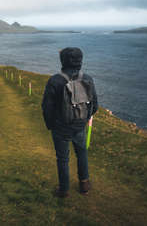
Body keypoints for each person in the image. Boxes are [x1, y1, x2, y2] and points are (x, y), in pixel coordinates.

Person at [42, 47, 98, 198]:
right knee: (82, 154)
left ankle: (64, 190)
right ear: (80, 60)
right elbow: (94, 105)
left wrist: (51, 125)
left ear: (63, 61)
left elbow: (47, 107)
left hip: (61, 128)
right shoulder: (88, 78)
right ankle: (84, 184)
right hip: (80, 126)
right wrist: (84, 120)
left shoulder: (55, 80)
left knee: (63, 158)